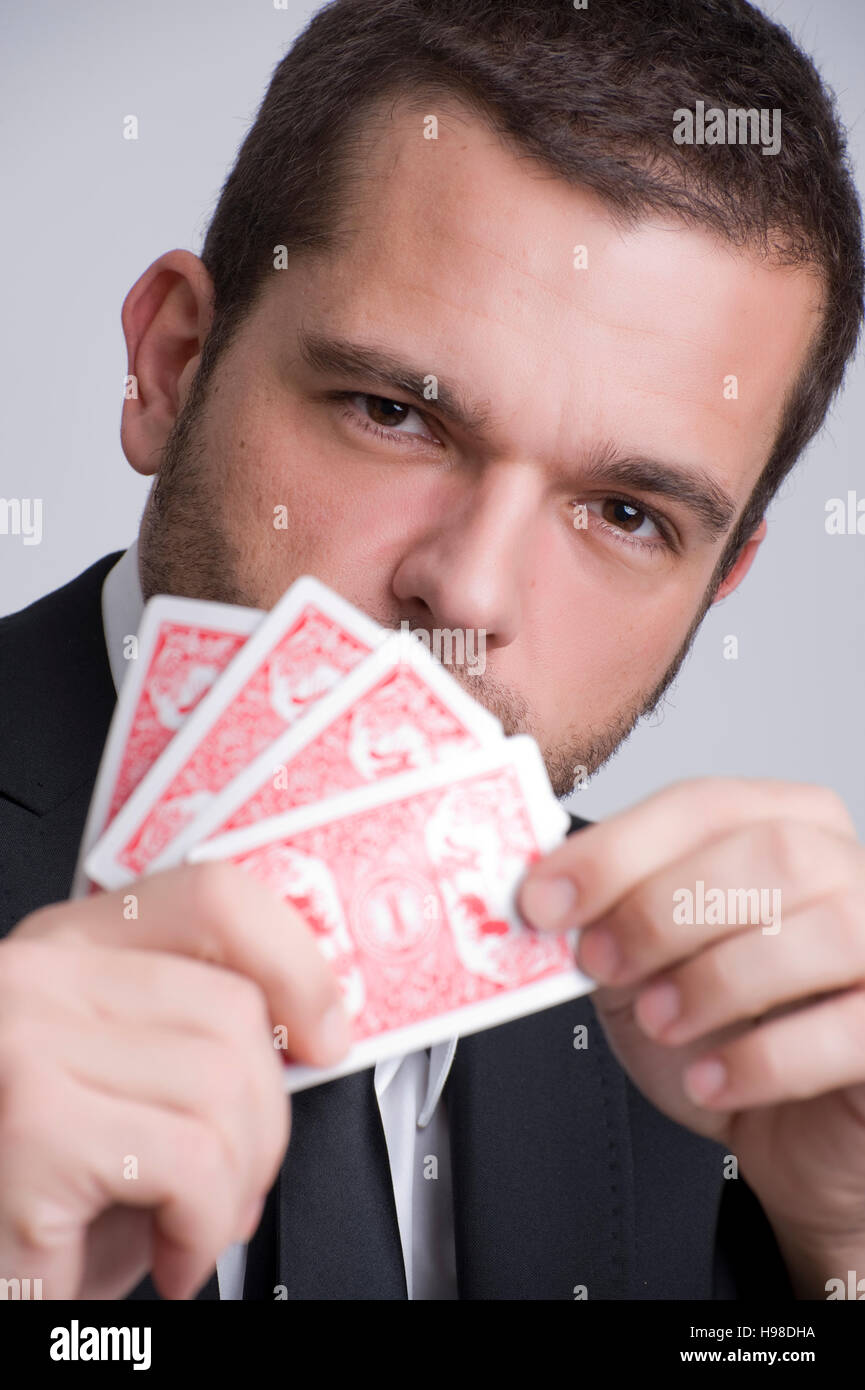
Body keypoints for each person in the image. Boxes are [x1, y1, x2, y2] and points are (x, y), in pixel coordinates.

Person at [1, 0, 863, 1301]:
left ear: (719, 579)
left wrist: (845, 1248)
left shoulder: (715, 1038)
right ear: (171, 366)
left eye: (626, 514)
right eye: (393, 412)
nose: (466, 589)